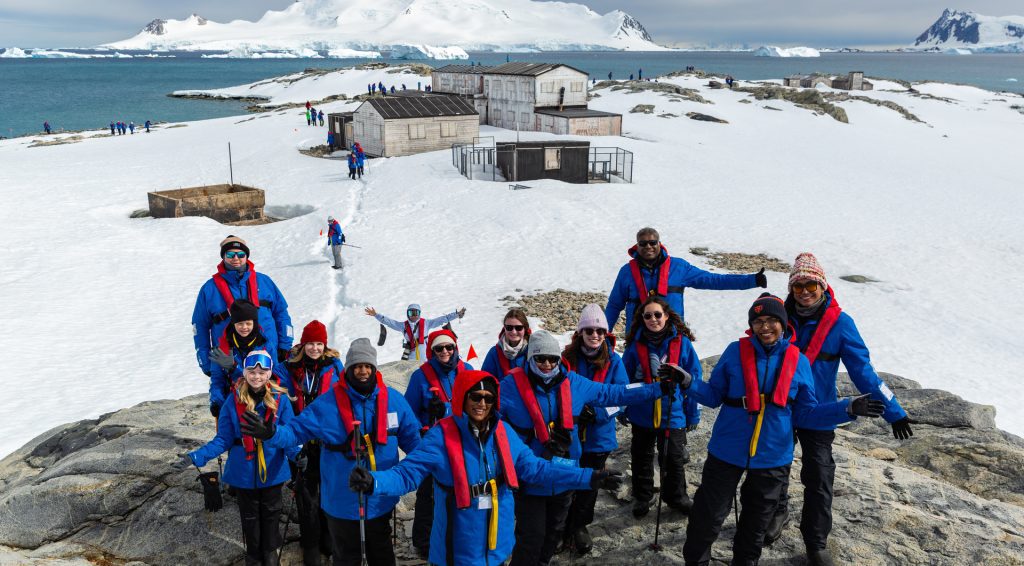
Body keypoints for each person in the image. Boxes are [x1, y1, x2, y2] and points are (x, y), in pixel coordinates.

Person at [677, 293, 885, 566]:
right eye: (759, 321)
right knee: (708, 517)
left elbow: (807, 412)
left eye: (772, 320)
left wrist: (847, 407)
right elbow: (714, 396)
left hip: (773, 457)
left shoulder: (797, 360)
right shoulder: (734, 352)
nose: (765, 327)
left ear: (784, 324)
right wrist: (688, 381)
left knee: (755, 526)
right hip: (727, 450)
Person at [350, 369, 625, 566]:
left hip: (498, 541)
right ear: (462, 397)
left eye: (488, 398)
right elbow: (407, 474)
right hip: (457, 543)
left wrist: (589, 477)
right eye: (475, 396)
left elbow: (537, 469)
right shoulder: (440, 435)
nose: (482, 403)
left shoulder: (503, 432)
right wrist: (375, 482)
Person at [764, 253, 914, 566]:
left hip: (819, 411)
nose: (804, 291)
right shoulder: (779, 318)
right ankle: (777, 511)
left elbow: (863, 371)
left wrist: (893, 409)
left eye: (811, 285)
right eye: (798, 286)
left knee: (819, 477)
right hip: (779, 407)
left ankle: (816, 542)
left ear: (823, 286)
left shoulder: (841, 324)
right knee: (773, 468)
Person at [498, 330, 680, 566]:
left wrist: (657, 389)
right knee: (531, 538)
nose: (546, 364)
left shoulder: (573, 382)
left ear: (558, 359)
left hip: (566, 474)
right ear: (530, 358)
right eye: (540, 358)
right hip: (531, 478)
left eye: (552, 358)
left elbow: (615, 392)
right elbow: (486, 418)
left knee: (554, 534)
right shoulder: (509, 387)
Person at [242, 338, 422, 566]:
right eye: (357, 366)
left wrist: (423, 468)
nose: (363, 371)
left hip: (380, 498)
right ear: (347, 369)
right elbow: (296, 431)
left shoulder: (394, 400)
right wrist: (272, 433)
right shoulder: (327, 404)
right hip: (341, 500)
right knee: (346, 556)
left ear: (375, 368)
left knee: (382, 551)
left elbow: (414, 443)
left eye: (367, 366)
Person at [186, 350, 300, 566]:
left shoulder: (280, 400)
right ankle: (254, 554)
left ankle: (269, 551)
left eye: (262, 372)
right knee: (249, 517)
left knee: (271, 513)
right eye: (252, 371)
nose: (256, 376)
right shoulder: (233, 400)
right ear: (245, 373)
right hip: (244, 472)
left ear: (269, 375)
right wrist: (195, 457)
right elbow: (223, 440)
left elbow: (289, 437)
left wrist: (299, 456)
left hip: (273, 471)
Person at [621, 295, 702, 519]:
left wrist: (692, 411)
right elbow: (623, 379)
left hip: (672, 412)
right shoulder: (635, 347)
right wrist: (623, 407)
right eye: (648, 315)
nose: (653, 319)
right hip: (642, 412)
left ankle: (677, 497)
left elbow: (694, 377)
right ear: (642, 319)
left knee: (673, 456)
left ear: (666, 316)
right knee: (641, 456)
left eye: (658, 314)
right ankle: (642, 496)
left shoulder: (682, 343)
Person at [605, 227, 767, 336]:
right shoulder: (627, 272)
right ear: (637, 246)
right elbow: (614, 306)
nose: (648, 246)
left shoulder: (679, 267)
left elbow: (714, 280)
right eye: (643, 243)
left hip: (672, 336)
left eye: (653, 242)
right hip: (637, 337)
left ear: (659, 244)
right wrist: (603, 334)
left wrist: (752, 280)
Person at [559, 304, 629, 554]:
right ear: (580, 332)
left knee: (589, 485)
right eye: (589, 329)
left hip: (599, 437)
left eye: (599, 330)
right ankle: (561, 527)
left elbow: (621, 398)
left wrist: (598, 412)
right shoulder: (566, 360)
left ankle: (579, 526)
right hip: (569, 436)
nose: (595, 335)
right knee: (566, 481)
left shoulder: (614, 361)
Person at [277, 320, 345, 566]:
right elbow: (278, 399)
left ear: (325, 345)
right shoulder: (288, 368)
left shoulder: (335, 366)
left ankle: (328, 536)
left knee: (329, 491)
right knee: (306, 497)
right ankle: (311, 544)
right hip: (300, 439)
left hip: (327, 441)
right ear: (303, 344)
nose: (315, 348)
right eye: (311, 343)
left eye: (319, 343)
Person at [403, 329, 475, 557]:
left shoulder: (469, 371)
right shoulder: (420, 376)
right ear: (431, 351)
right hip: (433, 443)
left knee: (464, 489)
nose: (445, 352)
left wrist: (445, 409)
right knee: (428, 493)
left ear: (455, 348)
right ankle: (424, 542)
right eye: (439, 348)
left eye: (449, 347)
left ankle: (461, 536)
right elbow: (409, 412)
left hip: (464, 442)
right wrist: (421, 436)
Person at [192, 235, 294, 379]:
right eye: (230, 254)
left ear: (246, 256)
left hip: (268, 355)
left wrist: (285, 346)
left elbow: (282, 314)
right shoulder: (209, 289)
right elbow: (199, 327)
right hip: (228, 360)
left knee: (272, 398)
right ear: (223, 257)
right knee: (231, 399)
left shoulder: (264, 281)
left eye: (241, 254)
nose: (236, 258)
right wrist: (205, 362)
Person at [208, 298, 270, 417]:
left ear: (254, 322)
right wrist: (216, 401)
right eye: (239, 323)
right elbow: (217, 379)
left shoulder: (265, 345)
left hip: (261, 401)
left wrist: (233, 369)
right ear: (233, 323)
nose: (244, 327)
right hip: (232, 402)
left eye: (248, 323)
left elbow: (271, 377)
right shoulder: (222, 348)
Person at [365, 304, 465, 361]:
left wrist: (456, 315)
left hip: (425, 354)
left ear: (419, 313)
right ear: (407, 314)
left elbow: (443, 319)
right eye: (410, 312)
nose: (413, 315)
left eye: (416, 313)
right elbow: (389, 322)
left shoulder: (426, 323)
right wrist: (376, 315)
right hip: (411, 355)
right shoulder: (403, 326)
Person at [480, 308, 531, 378]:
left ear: (525, 328)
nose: (514, 332)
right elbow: (486, 379)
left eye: (518, 328)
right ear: (504, 328)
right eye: (509, 327)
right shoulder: (494, 353)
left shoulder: (532, 351)